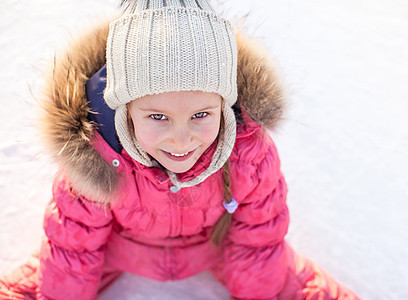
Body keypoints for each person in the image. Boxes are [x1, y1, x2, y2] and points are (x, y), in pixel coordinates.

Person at [0, 0, 360, 299]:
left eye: (201, 114)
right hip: (118, 250)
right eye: (158, 116)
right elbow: (73, 247)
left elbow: (259, 236)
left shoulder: (246, 150)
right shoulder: (97, 155)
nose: (181, 139)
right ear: (123, 109)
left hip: (217, 245)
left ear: (224, 104)